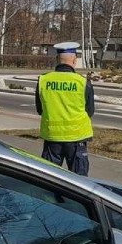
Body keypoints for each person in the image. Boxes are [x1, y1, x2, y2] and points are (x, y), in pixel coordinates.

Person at [35, 41, 95, 176]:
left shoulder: (44, 80)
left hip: (52, 139)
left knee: (49, 179)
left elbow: (40, 109)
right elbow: (89, 111)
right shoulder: (82, 82)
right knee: (79, 183)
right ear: (74, 60)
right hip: (77, 139)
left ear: (57, 59)